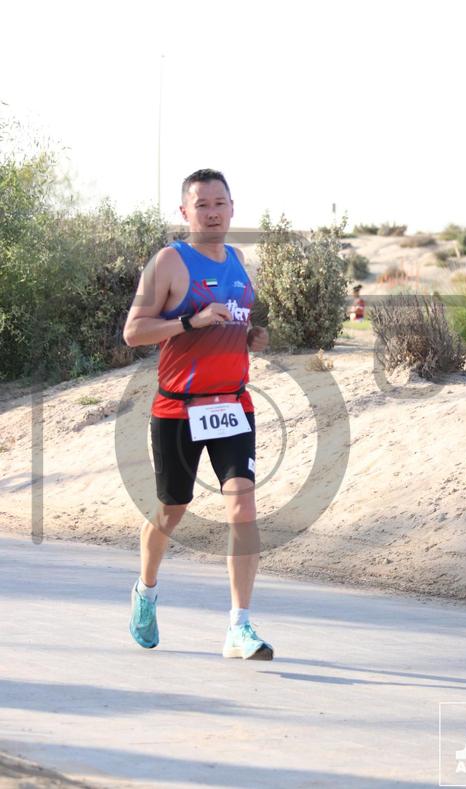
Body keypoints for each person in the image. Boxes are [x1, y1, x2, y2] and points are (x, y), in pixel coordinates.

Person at [123, 168, 273, 660]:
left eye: (219, 203)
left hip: (232, 403)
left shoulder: (238, 261)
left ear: (232, 208)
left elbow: (233, 322)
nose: (212, 213)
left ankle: (240, 627)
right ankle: (146, 591)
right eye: (201, 204)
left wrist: (249, 336)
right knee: (171, 510)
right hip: (179, 409)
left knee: (243, 509)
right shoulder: (169, 261)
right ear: (185, 212)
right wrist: (191, 321)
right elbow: (134, 332)